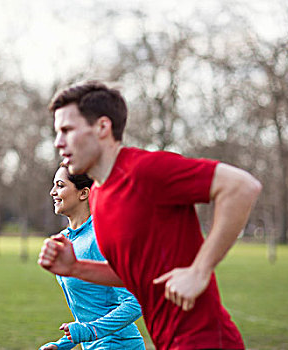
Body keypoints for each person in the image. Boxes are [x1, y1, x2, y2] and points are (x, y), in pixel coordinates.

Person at [38, 81, 262, 350]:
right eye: (57, 132)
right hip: (166, 342)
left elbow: (242, 186)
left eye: (67, 130)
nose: (58, 142)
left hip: (205, 339)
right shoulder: (100, 196)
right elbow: (137, 275)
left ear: (102, 127)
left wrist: (200, 270)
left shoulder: (145, 170)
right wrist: (74, 267)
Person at [39, 164, 145, 350]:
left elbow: (135, 303)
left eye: (60, 185)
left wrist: (89, 331)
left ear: (83, 193)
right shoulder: (64, 239)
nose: (52, 192)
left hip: (119, 345)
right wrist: (62, 345)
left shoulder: (101, 236)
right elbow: (91, 310)